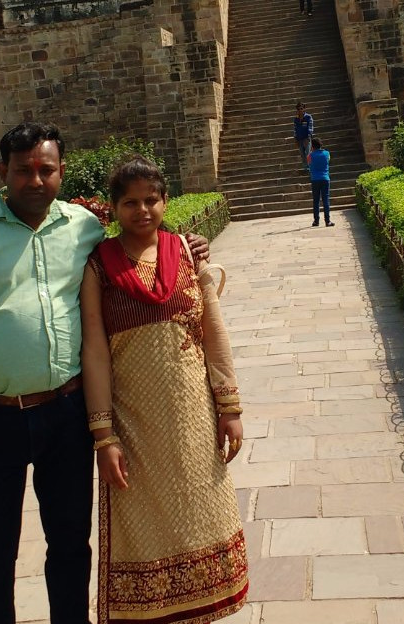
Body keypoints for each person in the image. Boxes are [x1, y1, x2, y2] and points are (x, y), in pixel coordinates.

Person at [0, 122, 208, 624]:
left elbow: (137, 241)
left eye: (45, 170)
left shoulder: (83, 228)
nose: (35, 180)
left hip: (67, 412)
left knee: (71, 542)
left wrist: (186, 246)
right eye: (23, 170)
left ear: (61, 171)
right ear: (1, 171)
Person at [79, 155, 248, 624]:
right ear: (113, 209)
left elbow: (213, 334)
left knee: (201, 514)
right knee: (144, 526)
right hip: (133, 422)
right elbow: (94, 350)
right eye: (130, 202)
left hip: (194, 416)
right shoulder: (100, 267)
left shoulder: (188, 254)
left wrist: (229, 407)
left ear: (165, 201)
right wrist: (103, 435)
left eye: (151, 200)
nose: (142, 210)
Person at [308, 136, 334, 227]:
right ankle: (327, 221)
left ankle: (316, 221)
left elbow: (309, 163)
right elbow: (328, 161)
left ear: (312, 146)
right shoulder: (327, 153)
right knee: (326, 200)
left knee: (316, 200)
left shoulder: (310, 155)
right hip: (325, 178)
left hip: (315, 179)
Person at [293, 101, 314, 169]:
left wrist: (308, 137)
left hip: (306, 138)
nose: (300, 110)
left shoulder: (308, 117)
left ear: (304, 109)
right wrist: (295, 139)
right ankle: (305, 167)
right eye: (298, 109)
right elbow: (295, 129)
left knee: (308, 153)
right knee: (302, 154)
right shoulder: (296, 119)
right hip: (299, 139)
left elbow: (310, 128)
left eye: (301, 108)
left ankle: (310, 167)